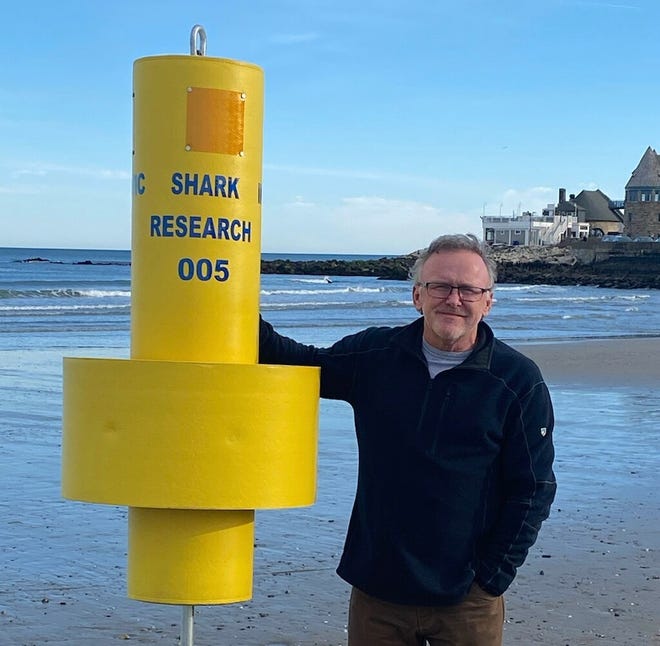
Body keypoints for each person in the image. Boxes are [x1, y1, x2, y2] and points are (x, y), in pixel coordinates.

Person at [259, 233, 556, 646]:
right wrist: (226, 297)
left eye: (468, 289)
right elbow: (296, 362)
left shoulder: (516, 381)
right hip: (378, 592)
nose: (453, 299)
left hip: (467, 598)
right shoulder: (376, 355)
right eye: (440, 286)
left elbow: (533, 488)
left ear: (487, 301)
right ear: (418, 295)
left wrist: (493, 576)